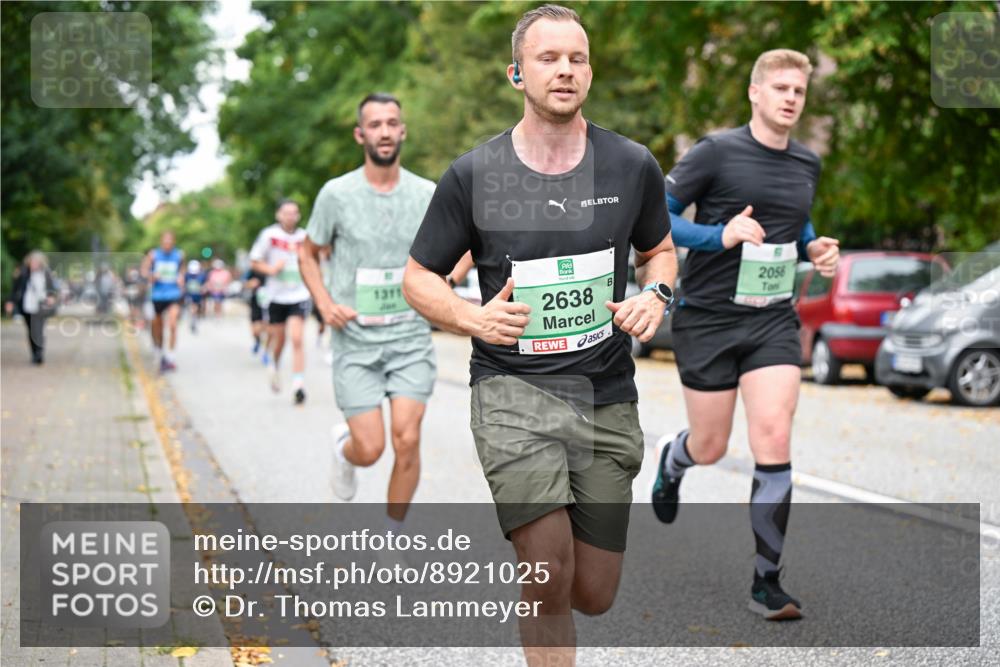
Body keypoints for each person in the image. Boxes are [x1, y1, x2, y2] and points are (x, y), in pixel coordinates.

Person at [402, 6, 677, 664]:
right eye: (549, 58)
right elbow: (418, 277)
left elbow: (659, 250)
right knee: (547, 567)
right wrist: (471, 317)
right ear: (517, 73)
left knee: (593, 590)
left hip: (606, 392)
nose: (564, 69)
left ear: (590, 71)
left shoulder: (631, 164)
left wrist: (657, 293)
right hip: (512, 392)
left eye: (577, 58)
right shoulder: (474, 175)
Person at [651, 48, 840, 621]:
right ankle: (674, 461)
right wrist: (719, 235)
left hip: (772, 319)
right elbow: (656, 215)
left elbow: (795, 217)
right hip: (707, 316)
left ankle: (767, 583)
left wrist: (813, 246)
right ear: (755, 93)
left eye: (799, 91)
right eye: (780, 87)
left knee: (773, 437)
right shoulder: (716, 151)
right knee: (711, 446)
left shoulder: (806, 163)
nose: (790, 98)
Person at [300, 93, 438, 542]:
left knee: (407, 438)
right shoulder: (336, 194)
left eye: (391, 123)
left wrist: (445, 282)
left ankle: (393, 539)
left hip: (409, 338)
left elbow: (463, 249)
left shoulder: (427, 194)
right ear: (361, 134)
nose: (384, 131)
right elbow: (308, 251)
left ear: (403, 131)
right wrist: (323, 302)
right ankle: (345, 450)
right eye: (374, 124)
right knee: (372, 447)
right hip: (355, 342)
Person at [250, 200, 311, 404]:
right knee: (280, 340)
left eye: (294, 213)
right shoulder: (269, 235)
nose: (290, 217)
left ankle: (298, 385)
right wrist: (271, 270)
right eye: (286, 213)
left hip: (299, 295)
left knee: (297, 338)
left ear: (298, 216)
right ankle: (274, 364)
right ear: (279, 215)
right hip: (276, 296)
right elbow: (254, 261)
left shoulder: (305, 237)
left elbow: (314, 260)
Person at [141, 231, 185, 372]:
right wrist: (152, 276)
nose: (167, 244)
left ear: (173, 242)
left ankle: (171, 357)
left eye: (170, 241)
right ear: (161, 242)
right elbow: (144, 271)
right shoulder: (153, 255)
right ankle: (159, 350)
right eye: (165, 241)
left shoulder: (179, 255)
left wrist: (181, 277)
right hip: (158, 295)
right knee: (158, 326)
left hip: (174, 294)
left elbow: (182, 270)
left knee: (172, 324)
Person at [5, 251, 57, 364]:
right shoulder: (23, 273)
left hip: (41, 306)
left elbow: (51, 289)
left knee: (38, 330)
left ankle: (39, 352)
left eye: (36, 262)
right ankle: (34, 353)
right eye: (32, 262)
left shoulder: (46, 273)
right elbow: (15, 290)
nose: (33, 264)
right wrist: (10, 302)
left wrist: (51, 297)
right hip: (27, 306)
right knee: (30, 331)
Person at [244, 266, 269, 360]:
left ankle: (265, 351)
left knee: (268, 328)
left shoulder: (272, 267)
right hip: (256, 302)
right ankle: (257, 341)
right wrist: (251, 283)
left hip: (270, 302)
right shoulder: (252, 270)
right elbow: (245, 283)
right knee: (255, 331)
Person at [183, 259, 206, 333]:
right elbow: (183, 283)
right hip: (189, 295)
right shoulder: (186, 275)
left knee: (196, 308)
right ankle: (192, 320)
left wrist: (204, 288)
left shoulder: (202, 275)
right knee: (192, 308)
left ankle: (194, 320)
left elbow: (206, 284)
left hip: (198, 295)